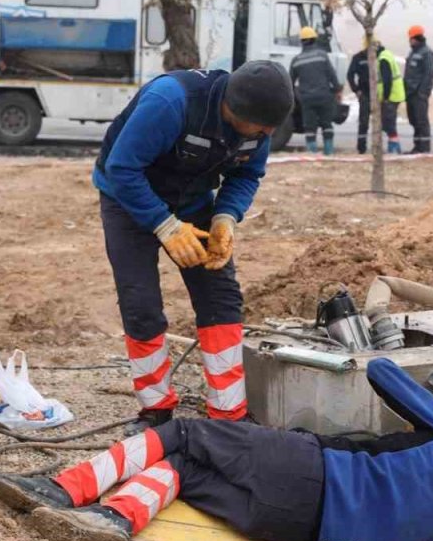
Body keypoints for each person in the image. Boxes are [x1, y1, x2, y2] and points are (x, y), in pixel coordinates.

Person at [0, 359, 433, 541]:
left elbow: (382, 373)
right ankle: (110, 519)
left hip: (309, 470)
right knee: (184, 471)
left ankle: (63, 490)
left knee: (182, 434)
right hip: (295, 528)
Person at [92, 62, 294, 435]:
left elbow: (247, 175)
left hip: (192, 200)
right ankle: (155, 410)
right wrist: (164, 226)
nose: (268, 134)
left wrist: (225, 218)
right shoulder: (171, 102)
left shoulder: (257, 129)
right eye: (263, 127)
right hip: (128, 199)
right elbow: (122, 168)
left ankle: (228, 413)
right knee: (141, 304)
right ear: (236, 110)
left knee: (221, 296)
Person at [289, 26, 343, 155]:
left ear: (302, 41)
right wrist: (337, 90)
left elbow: (289, 82)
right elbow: (331, 74)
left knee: (310, 127)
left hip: (307, 99)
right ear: (315, 39)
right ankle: (329, 153)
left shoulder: (296, 60)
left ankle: (312, 154)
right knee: (327, 125)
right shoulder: (322, 55)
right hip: (325, 96)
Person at [404, 25, 433, 154]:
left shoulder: (426, 52)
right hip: (410, 93)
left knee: (421, 121)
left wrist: (423, 92)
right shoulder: (413, 52)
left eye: (410, 38)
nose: (409, 41)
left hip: (419, 94)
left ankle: (424, 149)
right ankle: (417, 147)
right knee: (414, 120)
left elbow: (429, 74)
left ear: (415, 38)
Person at [346, 42, 371, 154]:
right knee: (363, 122)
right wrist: (356, 90)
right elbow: (350, 75)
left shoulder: (380, 56)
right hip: (365, 94)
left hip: (378, 94)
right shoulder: (358, 57)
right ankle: (361, 148)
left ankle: (379, 146)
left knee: (382, 122)